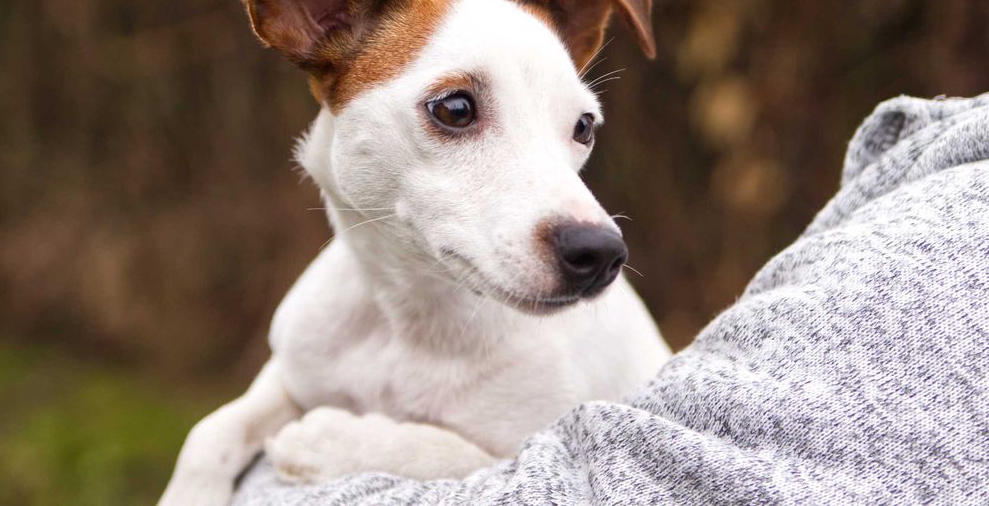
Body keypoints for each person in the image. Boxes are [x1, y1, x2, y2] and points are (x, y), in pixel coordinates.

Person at [234, 94, 989, 505]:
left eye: (580, 128)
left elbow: (575, 485)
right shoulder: (312, 320)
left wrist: (387, 454)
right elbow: (293, 379)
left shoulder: (541, 355)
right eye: (457, 113)